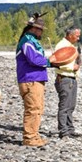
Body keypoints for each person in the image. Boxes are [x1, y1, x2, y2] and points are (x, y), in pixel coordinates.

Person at [16, 14, 51, 147]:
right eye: (41, 29)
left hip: (34, 79)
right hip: (30, 80)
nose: (42, 32)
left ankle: (34, 135)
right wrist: (50, 62)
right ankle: (29, 137)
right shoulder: (27, 42)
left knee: (38, 108)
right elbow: (34, 59)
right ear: (34, 29)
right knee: (33, 109)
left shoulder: (30, 41)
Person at [53, 26, 82, 139]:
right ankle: (63, 131)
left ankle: (70, 129)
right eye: (77, 36)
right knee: (64, 106)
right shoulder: (61, 46)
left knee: (71, 106)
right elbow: (57, 61)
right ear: (70, 35)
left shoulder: (70, 46)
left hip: (71, 79)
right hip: (64, 78)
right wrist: (72, 67)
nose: (78, 38)